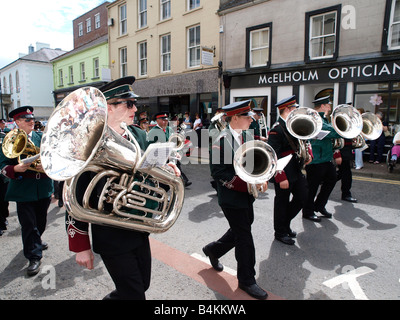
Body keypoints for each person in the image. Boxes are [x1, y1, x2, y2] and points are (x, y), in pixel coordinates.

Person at [65, 77, 180, 300]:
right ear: (109, 107)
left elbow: (149, 167)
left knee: (141, 285)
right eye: (128, 104)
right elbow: (73, 197)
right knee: (135, 294)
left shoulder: (137, 134)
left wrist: (167, 167)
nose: (135, 108)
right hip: (111, 233)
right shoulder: (87, 143)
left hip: (139, 225)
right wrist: (80, 245)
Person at [203, 100, 269, 300]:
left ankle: (213, 249)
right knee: (244, 236)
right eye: (247, 116)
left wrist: (261, 178)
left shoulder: (248, 137)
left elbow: (253, 163)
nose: (251, 119)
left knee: (243, 227)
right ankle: (247, 280)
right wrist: (250, 185)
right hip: (232, 197)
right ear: (235, 118)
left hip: (246, 195)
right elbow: (219, 173)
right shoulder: (219, 140)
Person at [0, 106, 54, 276]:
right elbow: (2, 166)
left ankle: (35, 241)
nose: (32, 121)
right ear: (17, 122)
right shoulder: (9, 140)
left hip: (44, 186)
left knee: (41, 221)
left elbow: (54, 157)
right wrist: (15, 168)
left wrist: (47, 166)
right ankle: (34, 256)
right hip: (23, 189)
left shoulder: (42, 137)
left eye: (32, 118)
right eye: (27, 119)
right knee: (29, 224)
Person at [268, 96, 311, 245]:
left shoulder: (294, 124)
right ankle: (280, 232)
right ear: (287, 109)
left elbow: (304, 141)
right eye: (294, 109)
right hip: (284, 170)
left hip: (296, 167)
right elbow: (273, 155)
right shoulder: (276, 129)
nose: (296, 111)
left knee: (303, 196)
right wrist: (280, 176)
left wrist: (308, 154)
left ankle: (285, 223)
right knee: (282, 201)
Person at [302, 96, 342, 221]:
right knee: (312, 186)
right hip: (315, 160)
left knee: (332, 178)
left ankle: (319, 205)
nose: (330, 108)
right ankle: (307, 211)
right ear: (323, 106)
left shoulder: (324, 118)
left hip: (325, 158)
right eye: (328, 105)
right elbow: (332, 132)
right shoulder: (316, 118)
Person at [148, 112, 192, 187]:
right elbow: (150, 148)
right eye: (163, 120)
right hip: (161, 161)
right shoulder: (153, 132)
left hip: (172, 157)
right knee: (163, 182)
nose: (165, 122)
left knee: (176, 174)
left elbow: (174, 142)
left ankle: (182, 182)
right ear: (157, 120)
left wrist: (177, 152)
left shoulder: (170, 129)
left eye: (166, 120)